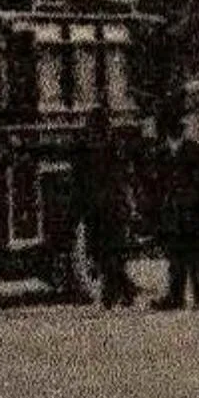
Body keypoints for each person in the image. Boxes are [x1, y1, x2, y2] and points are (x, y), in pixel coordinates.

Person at [150, 107, 199, 311]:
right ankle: (176, 296)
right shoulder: (163, 154)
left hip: (193, 210)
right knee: (175, 255)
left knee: (195, 253)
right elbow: (158, 184)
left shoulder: (196, 151)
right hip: (173, 211)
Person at [78, 108, 142, 309]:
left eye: (95, 127)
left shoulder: (113, 149)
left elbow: (121, 178)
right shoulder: (98, 149)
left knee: (111, 252)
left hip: (112, 207)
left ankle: (113, 294)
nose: (92, 131)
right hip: (103, 208)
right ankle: (124, 291)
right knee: (103, 252)